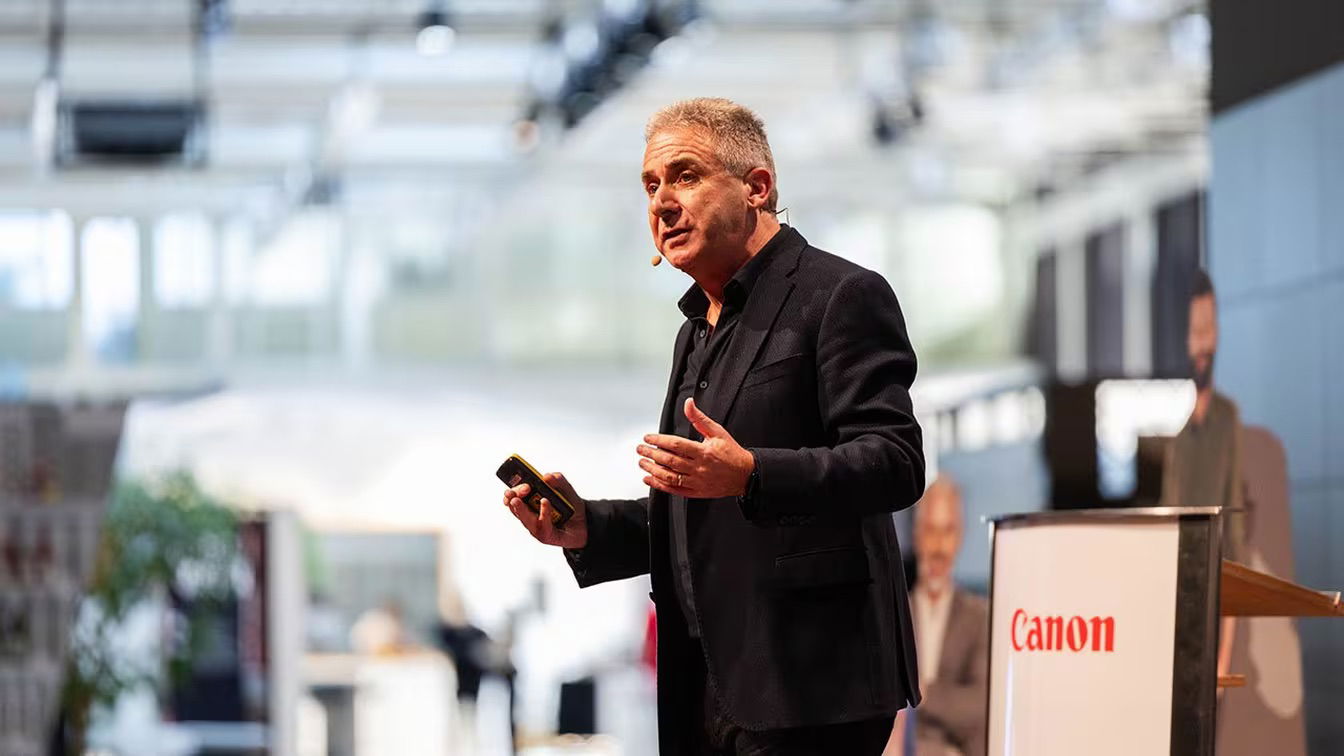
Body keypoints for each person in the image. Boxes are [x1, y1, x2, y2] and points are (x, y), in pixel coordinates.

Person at [502, 98, 925, 754]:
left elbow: (895, 460)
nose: (662, 202)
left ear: (757, 187)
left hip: (812, 686)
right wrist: (589, 526)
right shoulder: (695, 332)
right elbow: (698, 514)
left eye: (685, 176)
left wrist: (753, 473)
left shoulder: (840, 295)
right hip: (706, 685)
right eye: (650, 185)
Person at [1160, 268, 1247, 686]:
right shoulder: (1178, 442)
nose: (1202, 341)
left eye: (1208, 328)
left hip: (1218, 615)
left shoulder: (1228, 421)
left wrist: (1224, 655)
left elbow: (1235, 541)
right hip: (1182, 612)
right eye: (1195, 331)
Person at [886, 477, 987, 756]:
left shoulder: (979, 618)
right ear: (916, 535)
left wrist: (921, 692)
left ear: (960, 536)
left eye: (948, 531)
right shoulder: (894, 615)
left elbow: (979, 706)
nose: (939, 546)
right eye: (930, 530)